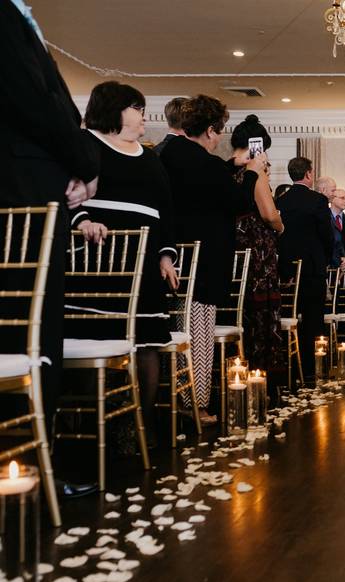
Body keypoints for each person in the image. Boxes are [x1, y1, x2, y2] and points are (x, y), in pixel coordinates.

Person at [0, 0, 101, 498]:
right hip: (22, 190)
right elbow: (34, 100)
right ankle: (27, 468)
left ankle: (29, 465)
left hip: (33, 184)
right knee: (32, 330)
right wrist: (84, 161)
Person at [70, 81, 179, 447]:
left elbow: (165, 210)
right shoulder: (86, 145)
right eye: (137, 107)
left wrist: (166, 254)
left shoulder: (149, 156)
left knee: (146, 343)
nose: (143, 113)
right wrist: (83, 220)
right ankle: (92, 428)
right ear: (116, 110)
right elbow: (65, 190)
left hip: (145, 262)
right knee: (96, 338)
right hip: (97, 260)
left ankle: (138, 427)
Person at [159, 95, 266, 423]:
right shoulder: (201, 161)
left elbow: (206, 182)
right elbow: (236, 202)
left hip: (179, 253)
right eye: (218, 131)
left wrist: (231, 166)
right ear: (208, 130)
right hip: (203, 259)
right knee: (199, 333)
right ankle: (197, 404)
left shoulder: (173, 153)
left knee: (183, 328)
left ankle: (180, 399)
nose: (219, 137)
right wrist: (252, 173)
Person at [229, 115, 285, 393]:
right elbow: (268, 213)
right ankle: (261, 372)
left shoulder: (225, 169)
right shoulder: (255, 173)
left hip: (234, 248)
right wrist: (280, 224)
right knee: (260, 313)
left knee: (240, 311)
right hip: (257, 253)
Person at [277, 157, 334, 383]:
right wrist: (327, 258)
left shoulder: (281, 200)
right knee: (313, 319)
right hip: (312, 267)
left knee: (291, 316)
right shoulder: (318, 200)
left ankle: (292, 366)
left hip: (288, 269)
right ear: (309, 174)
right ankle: (311, 369)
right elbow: (326, 233)